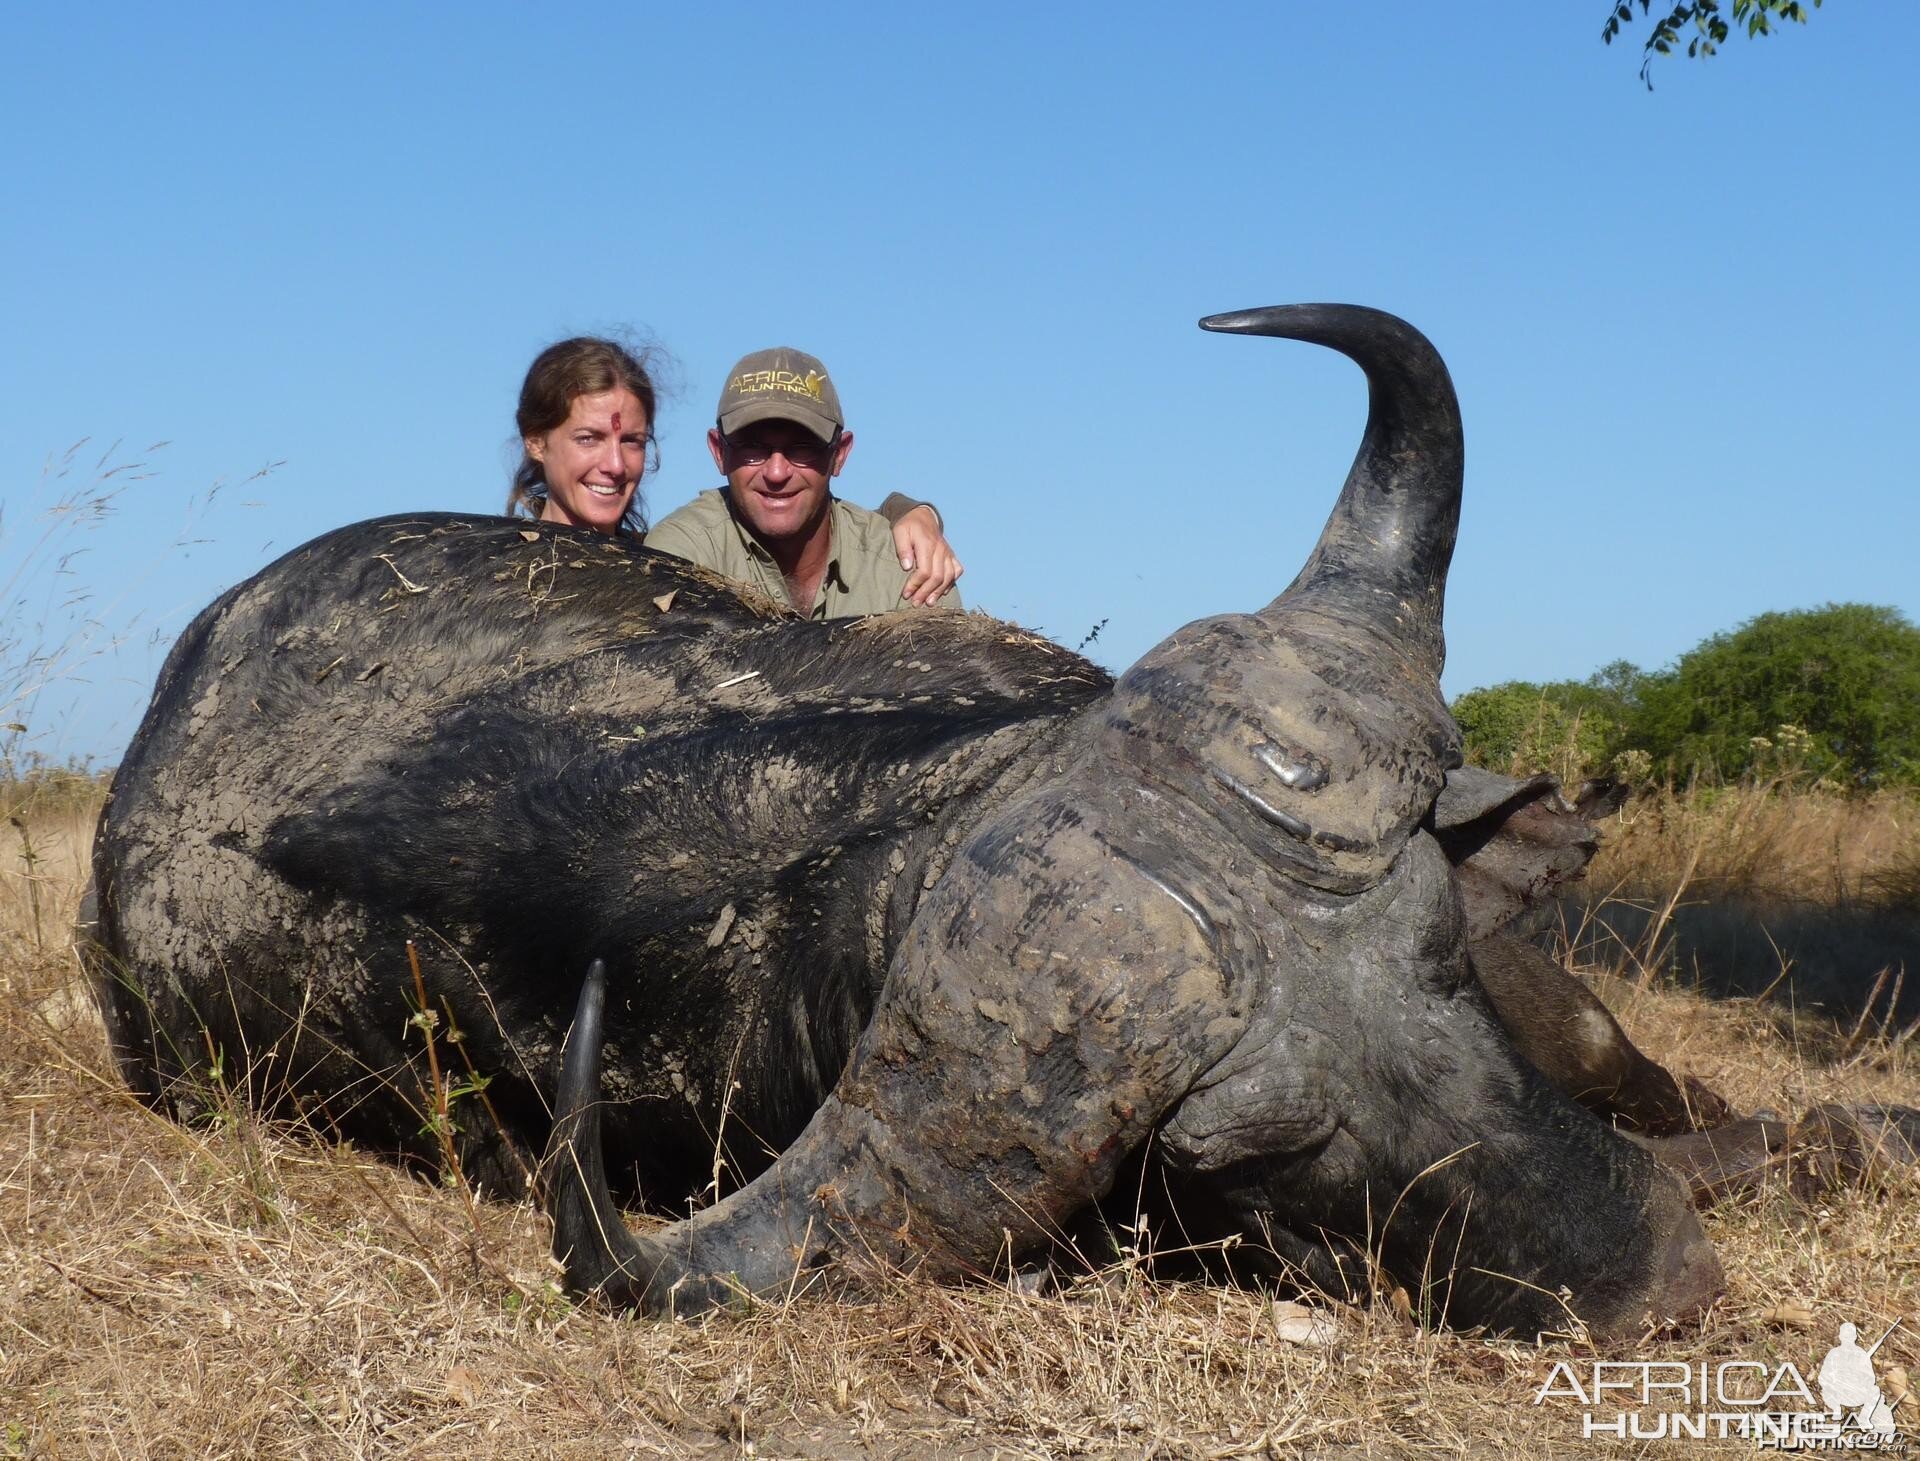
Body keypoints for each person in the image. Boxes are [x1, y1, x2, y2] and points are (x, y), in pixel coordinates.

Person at [504, 337, 959, 605]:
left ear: (838, 455)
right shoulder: (677, 556)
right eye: (588, 439)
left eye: (632, 441)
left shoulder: (652, 564)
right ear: (536, 440)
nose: (615, 465)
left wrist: (910, 512)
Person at [644, 346, 963, 616]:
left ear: (839, 454)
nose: (777, 473)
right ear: (719, 452)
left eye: (803, 449)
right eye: (752, 448)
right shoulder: (681, 556)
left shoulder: (905, 569)